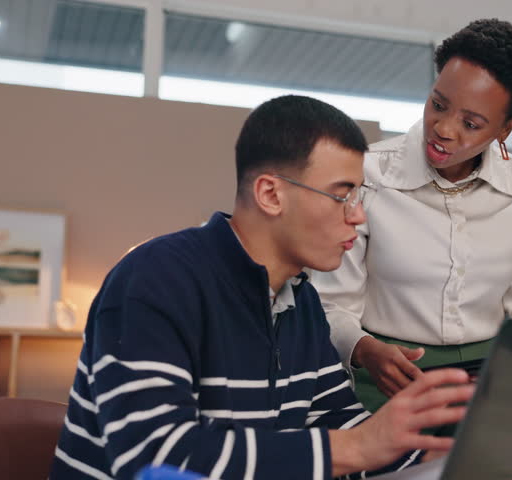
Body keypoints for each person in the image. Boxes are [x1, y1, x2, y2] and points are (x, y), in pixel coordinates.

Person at [49, 95, 474, 480]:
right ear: (271, 194)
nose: (359, 217)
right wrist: (356, 448)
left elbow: (341, 424)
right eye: (343, 196)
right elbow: (154, 457)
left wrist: (443, 464)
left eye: (360, 197)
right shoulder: (155, 278)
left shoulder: (300, 299)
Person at [312, 18, 512, 413]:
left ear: (505, 129)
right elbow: (329, 302)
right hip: (386, 381)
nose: (442, 129)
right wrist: (364, 349)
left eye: (471, 123)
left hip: (486, 389)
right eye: (438, 104)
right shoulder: (367, 175)